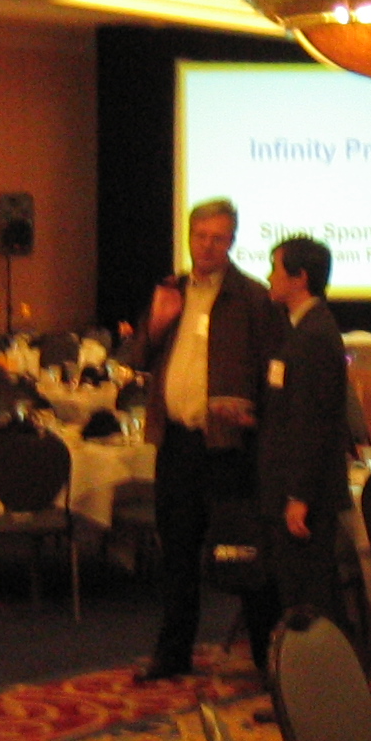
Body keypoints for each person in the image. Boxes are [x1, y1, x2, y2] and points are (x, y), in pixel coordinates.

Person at [128, 198, 281, 682]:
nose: (208, 246)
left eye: (218, 238)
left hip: (228, 447)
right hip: (177, 442)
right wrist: (157, 322)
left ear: (232, 242)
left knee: (243, 552)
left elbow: (274, 371)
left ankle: (270, 659)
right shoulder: (171, 291)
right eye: (201, 236)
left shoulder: (251, 297)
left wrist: (255, 416)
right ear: (190, 237)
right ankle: (173, 654)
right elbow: (137, 357)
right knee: (177, 553)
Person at [256, 236, 351, 629]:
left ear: (300, 278)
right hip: (295, 484)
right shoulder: (301, 329)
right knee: (302, 588)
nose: (269, 277)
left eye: (276, 269)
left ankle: (323, 661)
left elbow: (312, 423)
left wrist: (299, 495)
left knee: (308, 594)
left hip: (305, 492)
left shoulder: (313, 336)